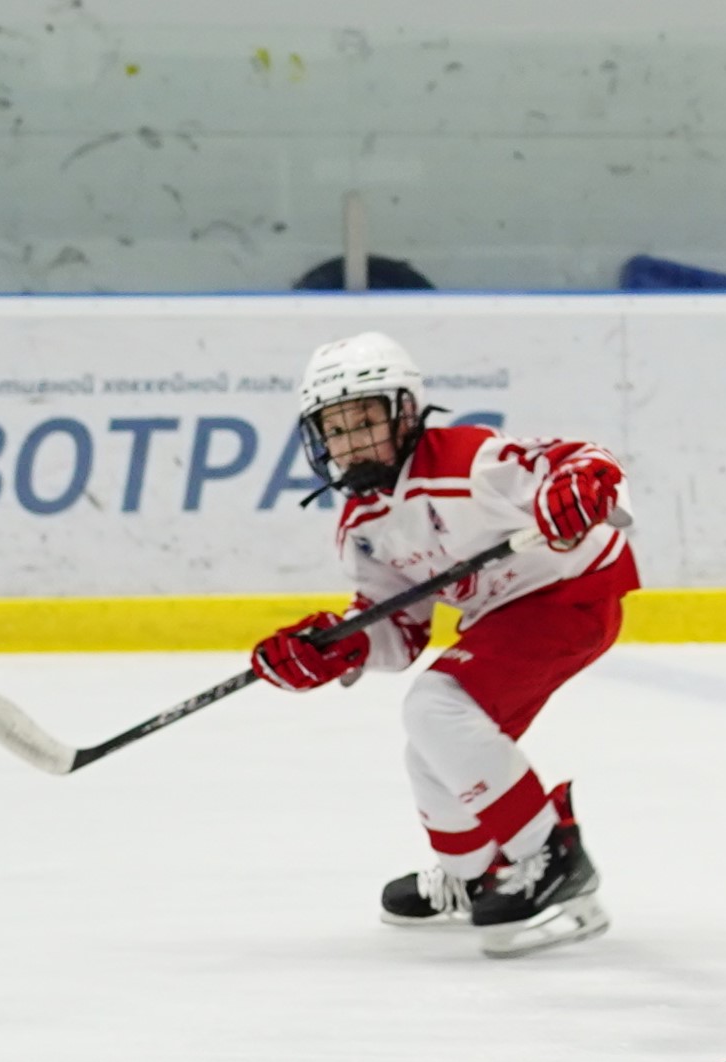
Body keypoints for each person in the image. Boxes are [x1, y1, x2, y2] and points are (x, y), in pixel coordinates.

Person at [249, 331, 630, 958]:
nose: (350, 441)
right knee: (430, 747)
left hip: (570, 594)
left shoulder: (468, 461)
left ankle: (552, 861)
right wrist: (335, 646)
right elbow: (398, 630)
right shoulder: (364, 523)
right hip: (505, 612)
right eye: (335, 429)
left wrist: (584, 488)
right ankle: (472, 872)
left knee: (437, 707)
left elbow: (580, 461)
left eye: (365, 420)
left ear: (405, 411)